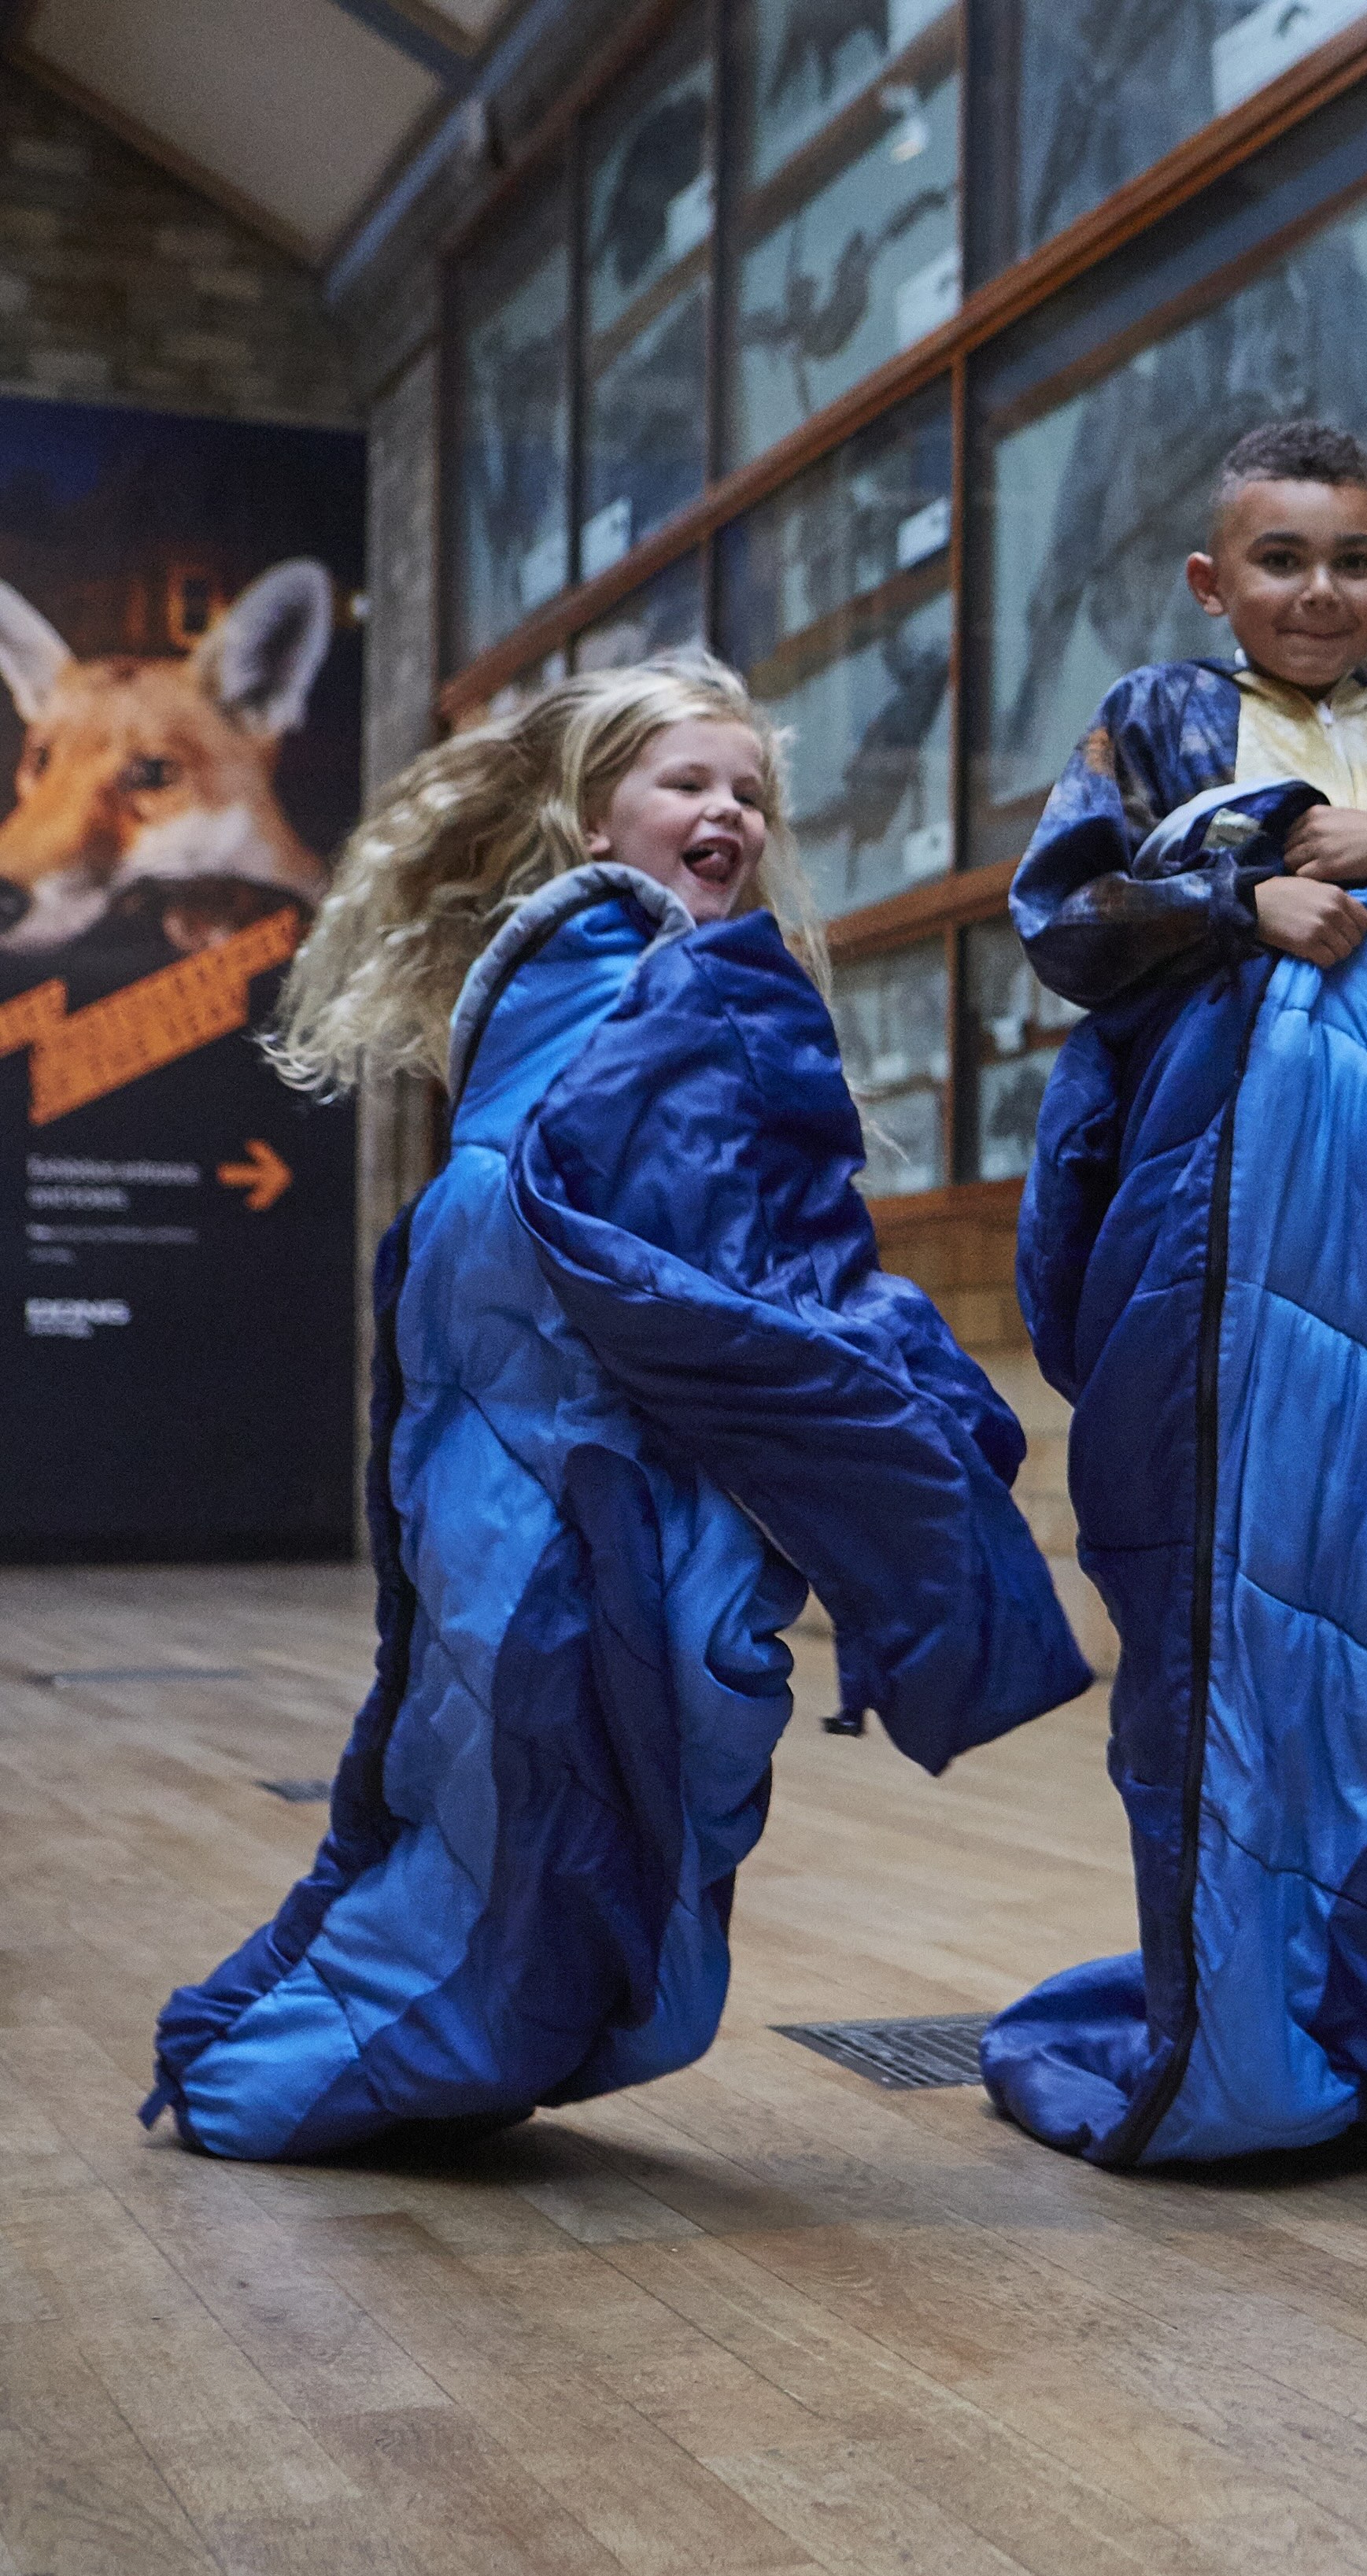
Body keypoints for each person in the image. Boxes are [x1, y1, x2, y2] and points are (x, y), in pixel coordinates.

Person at [146, 653, 1091, 2161]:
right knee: (552, 1780)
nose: (726, 810)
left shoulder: (613, 979)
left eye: (749, 792)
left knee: (556, 1772)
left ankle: (365, 2051)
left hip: (569, 1458)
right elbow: (697, 1250)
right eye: (687, 783)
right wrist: (894, 1403)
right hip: (570, 1470)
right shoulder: (632, 978)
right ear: (596, 820)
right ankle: (308, 2073)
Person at [987, 418, 1367, 2167]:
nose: (1317, 593)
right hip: (1219, 1264)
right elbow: (1062, 916)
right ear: (1214, 580)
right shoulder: (1159, 722)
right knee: (1232, 1622)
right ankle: (1241, 2026)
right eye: (1280, 561)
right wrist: (1243, 892)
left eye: (1350, 562)